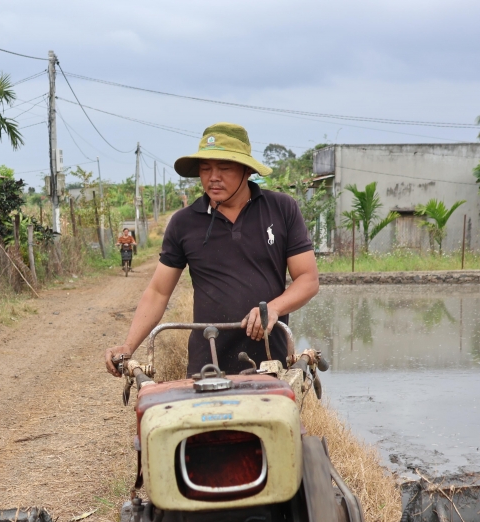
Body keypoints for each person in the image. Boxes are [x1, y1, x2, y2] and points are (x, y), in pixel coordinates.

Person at [104, 122, 319, 377]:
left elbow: (308, 279)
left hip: (271, 362)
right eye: (205, 169)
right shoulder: (184, 222)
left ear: (247, 170)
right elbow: (158, 292)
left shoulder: (281, 209)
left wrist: (273, 308)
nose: (213, 177)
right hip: (207, 365)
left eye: (225, 168)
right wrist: (128, 346)